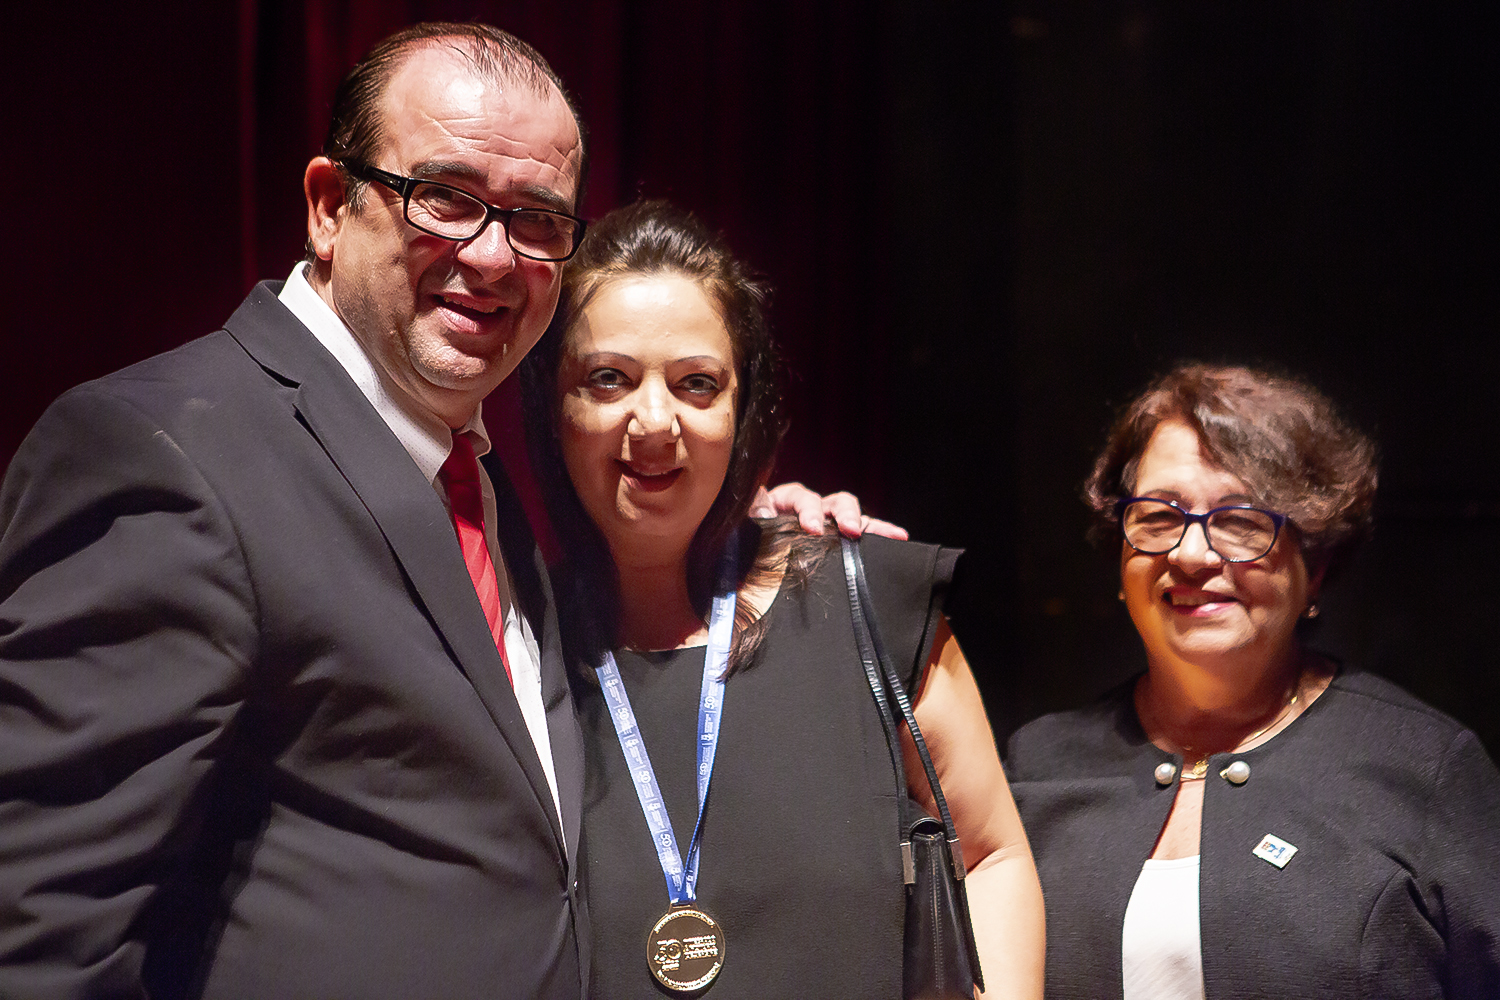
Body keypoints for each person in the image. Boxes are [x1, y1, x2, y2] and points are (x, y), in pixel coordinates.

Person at [0, 23, 881, 1000]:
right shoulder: (169, 453)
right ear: (331, 206)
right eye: (447, 198)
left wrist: (742, 530)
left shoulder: (470, 472)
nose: (495, 256)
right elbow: (40, 937)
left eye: (539, 219)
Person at [521, 199, 1045, 999]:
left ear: (743, 411)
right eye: (608, 379)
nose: (654, 421)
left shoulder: (873, 604)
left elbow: (991, 856)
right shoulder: (510, 641)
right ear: (555, 407)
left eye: (698, 384)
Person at [1005, 363, 1500, 999]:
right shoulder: (1034, 768)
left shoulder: (1426, 771)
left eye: (1242, 519)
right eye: (1158, 515)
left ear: (1314, 567)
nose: (1190, 555)